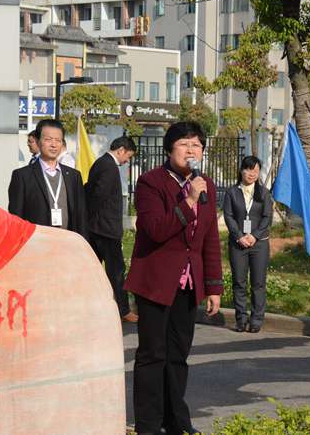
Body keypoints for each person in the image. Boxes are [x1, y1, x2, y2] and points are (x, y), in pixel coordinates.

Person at [125, 121, 223, 435]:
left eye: (197, 145)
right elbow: (155, 229)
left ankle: (176, 420)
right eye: (184, 144)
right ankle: (149, 424)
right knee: (153, 355)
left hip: (188, 283)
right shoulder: (150, 182)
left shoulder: (205, 185)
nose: (191, 150)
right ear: (169, 149)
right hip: (155, 281)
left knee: (178, 355)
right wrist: (189, 201)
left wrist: (214, 286)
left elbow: (209, 238)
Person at [85, 136, 138, 323]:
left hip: (98, 227)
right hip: (106, 230)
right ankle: (123, 310)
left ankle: (91, 306)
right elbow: (98, 196)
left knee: (93, 270)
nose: (126, 161)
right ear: (121, 150)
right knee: (116, 271)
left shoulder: (101, 163)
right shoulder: (109, 166)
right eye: (128, 157)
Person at [8, 119, 87, 238]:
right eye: (48, 139)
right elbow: (16, 218)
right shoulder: (22, 176)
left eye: (58, 140)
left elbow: (81, 216)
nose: (54, 145)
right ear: (38, 141)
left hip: (68, 243)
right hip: (37, 243)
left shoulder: (73, 176)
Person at [222, 156, 273, 333]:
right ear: (241, 170)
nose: (252, 174)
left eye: (256, 171)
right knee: (239, 282)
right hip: (238, 244)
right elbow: (228, 216)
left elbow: (267, 217)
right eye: (249, 169)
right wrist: (239, 236)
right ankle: (241, 319)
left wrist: (254, 236)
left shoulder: (264, 193)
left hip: (259, 245)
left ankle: (256, 319)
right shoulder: (231, 192)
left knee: (258, 283)